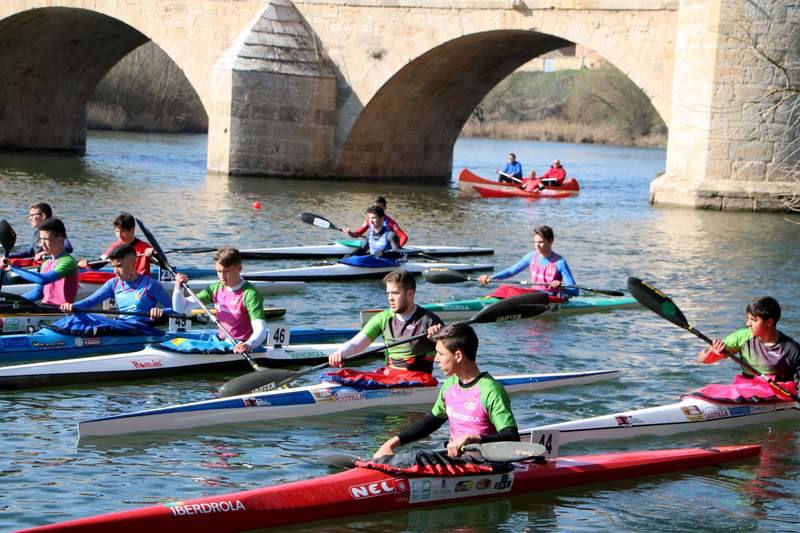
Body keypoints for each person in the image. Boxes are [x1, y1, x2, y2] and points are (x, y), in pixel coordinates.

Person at [373, 322, 520, 458]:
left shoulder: (490, 391)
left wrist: (473, 438)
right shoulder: (449, 385)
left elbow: (512, 437)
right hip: (457, 460)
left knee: (413, 460)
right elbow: (430, 423)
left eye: (441, 354)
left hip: (486, 464)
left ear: (458, 356)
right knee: (414, 456)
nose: (436, 359)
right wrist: (391, 443)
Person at [328, 270, 443, 373]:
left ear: (410, 294)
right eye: (388, 293)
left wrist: (437, 339)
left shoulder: (430, 321)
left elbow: (450, 355)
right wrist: (340, 353)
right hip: (390, 377)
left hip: (419, 382)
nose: (390, 298)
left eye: (395, 293)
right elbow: (356, 344)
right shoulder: (382, 318)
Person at [172, 246, 266, 354]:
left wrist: (249, 344)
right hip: (222, 342)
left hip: (241, 345)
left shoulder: (250, 294)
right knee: (179, 343)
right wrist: (178, 288)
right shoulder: (215, 288)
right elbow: (180, 308)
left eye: (226, 272)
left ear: (239, 269)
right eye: (218, 271)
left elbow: (261, 330)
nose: (222, 277)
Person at [60, 244, 172, 325]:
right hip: (120, 326)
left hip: (141, 329)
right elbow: (89, 302)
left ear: (133, 263)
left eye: (119, 266)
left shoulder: (151, 285)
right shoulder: (113, 284)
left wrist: (161, 311)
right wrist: (72, 306)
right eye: (113, 267)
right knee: (78, 316)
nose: (115, 271)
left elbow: (174, 309)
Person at [698, 297, 800, 384]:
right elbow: (702, 359)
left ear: (769, 322)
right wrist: (712, 350)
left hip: (777, 396)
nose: (748, 324)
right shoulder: (743, 336)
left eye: (753, 320)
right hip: (747, 390)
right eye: (748, 319)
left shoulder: (791, 349)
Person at [477, 225, 578, 297]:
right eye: (535, 242)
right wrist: (490, 278)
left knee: (508, 290)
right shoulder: (531, 256)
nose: (537, 245)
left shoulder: (560, 262)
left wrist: (560, 287)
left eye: (541, 242)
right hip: (533, 295)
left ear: (551, 241)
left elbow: (575, 290)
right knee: (505, 288)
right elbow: (511, 271)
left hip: (550, 299)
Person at [2, 218, 78, 305]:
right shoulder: (46, 263)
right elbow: (38, 293)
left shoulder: (68, 261)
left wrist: (13, 268)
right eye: (41, 239)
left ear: (60, 240)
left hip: (61, 313)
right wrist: (12, 302)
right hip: (45, 311)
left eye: (46, 239)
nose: (42, 244)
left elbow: (43, 279)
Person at [78, 213, 153, 276]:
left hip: (141, 284)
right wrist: (85, 263)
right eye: (117, 231)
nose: (119, 235)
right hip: (122, 282)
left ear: (132, 230)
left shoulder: (145, 248)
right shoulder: (115, 247)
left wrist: (153, 255)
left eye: (123, 231)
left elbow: (163, 265)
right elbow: (98, 264)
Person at [8, 202, 73, 261]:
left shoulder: (53, 229)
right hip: (40, 264)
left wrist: (44, 253)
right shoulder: (37, 233)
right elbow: (30, 251)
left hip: (54, 265)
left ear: (43, 216)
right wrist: (8, 256)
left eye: (32, 215)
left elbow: (68, 248)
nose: (30, 218)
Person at [343, 196, 409, 247]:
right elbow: (357, 234)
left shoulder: (390, 223)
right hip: (374, 247)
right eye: (375, 207)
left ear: (385, 208)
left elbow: (404, 237)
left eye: (379, 207)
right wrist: (350, 233)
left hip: (386, 250)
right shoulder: (369, 220)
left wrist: (396, 250)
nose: (376, 210)